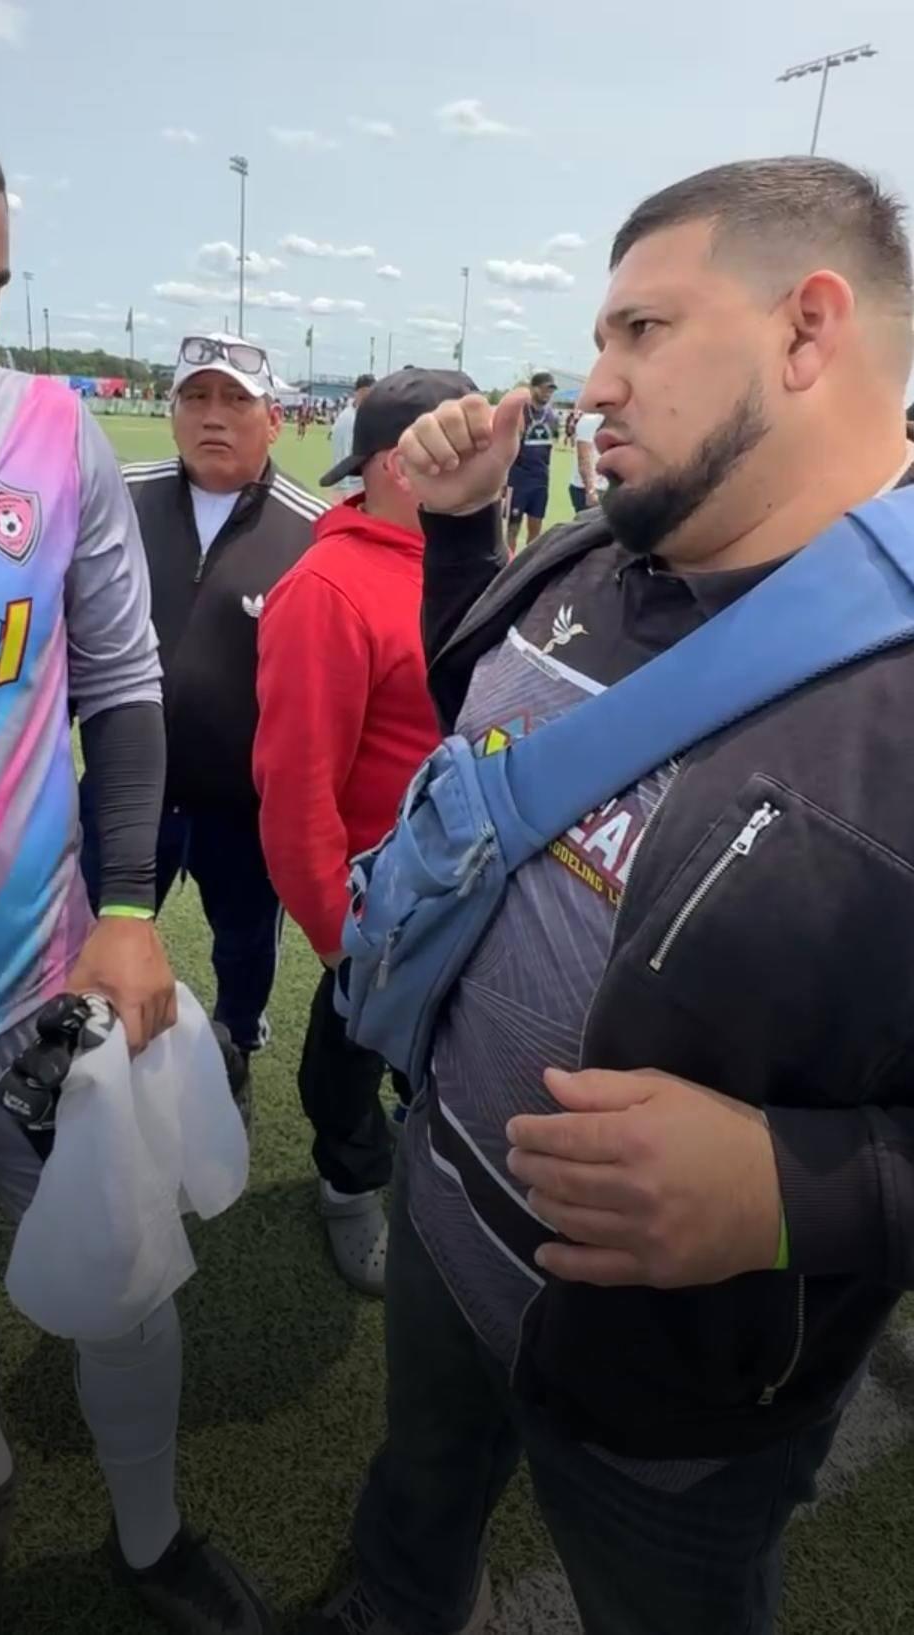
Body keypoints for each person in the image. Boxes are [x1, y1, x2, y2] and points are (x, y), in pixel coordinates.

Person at [305, 156, 914, 1635]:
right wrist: (461, 538)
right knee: (414, 1499)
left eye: (642, 330)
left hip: (680, 1387)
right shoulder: (596, 542)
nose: (594, 380)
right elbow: (500, 757)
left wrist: (796, 1183)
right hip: (447, 1214)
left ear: (808, 330)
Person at [0, 53, 274, 1635]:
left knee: (125, 1279)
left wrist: (138, 904)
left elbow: (125, 679)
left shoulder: (46, 438)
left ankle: (149, 1535)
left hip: (48, 997)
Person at [253, 372, 470, 1293]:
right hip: (380, 900)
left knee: (446, 1060)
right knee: (350, 1053)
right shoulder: (330, 586)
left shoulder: (468, 563)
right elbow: (295, 782)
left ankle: (424, 1170)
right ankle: (350, 1184)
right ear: (401, 466)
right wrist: (341, 932)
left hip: (470, 883)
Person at [82, 333, 326, 1106]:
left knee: (245, 947)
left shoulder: (316, 530)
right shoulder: (118, 496)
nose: (212, 416)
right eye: (196, 397)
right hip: (125, 797)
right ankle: (93, 1071)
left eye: (235, 400)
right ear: (174, 410)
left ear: (275, 419)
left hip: (244, 809)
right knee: (95, 941)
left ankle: (235, 1056)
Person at [505, 369, 557, 553]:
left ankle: (528, 570)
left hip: (541, 479)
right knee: (513, 527)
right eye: (544, 389)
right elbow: (508, 447)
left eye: (551, 390)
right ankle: (508, 568)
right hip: (518, 479)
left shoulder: (552, 416)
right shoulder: (522, 412)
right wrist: (504, 481)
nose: (548, 393)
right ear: (533, 389)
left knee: (536, 528)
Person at [329, 373, 376, 497]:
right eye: (364, 392)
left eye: (371, 393)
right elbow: (343, 455)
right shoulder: (349, 419)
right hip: (349, 488)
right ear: (357, 393)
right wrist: (346, 492)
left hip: (359, 486)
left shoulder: (362, 416)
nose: (368, 397)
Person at [568, 403, 603, 512]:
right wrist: (590, 490)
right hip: (587, 489)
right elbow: (584, 457)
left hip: (607, 488)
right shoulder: (590, 420)